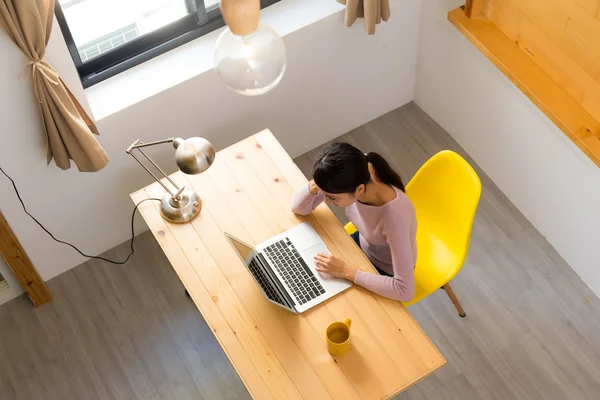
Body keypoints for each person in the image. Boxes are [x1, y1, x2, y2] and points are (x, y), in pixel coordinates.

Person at [291, 142, 417, 302]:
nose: (326, 201)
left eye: (332, 197)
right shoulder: (356, 167)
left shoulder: (395, 218)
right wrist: (316, 185)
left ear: (359, 190)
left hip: (383, 269)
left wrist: (346, 272)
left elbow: (404, 291)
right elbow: (299, 208)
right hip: (362, 245)